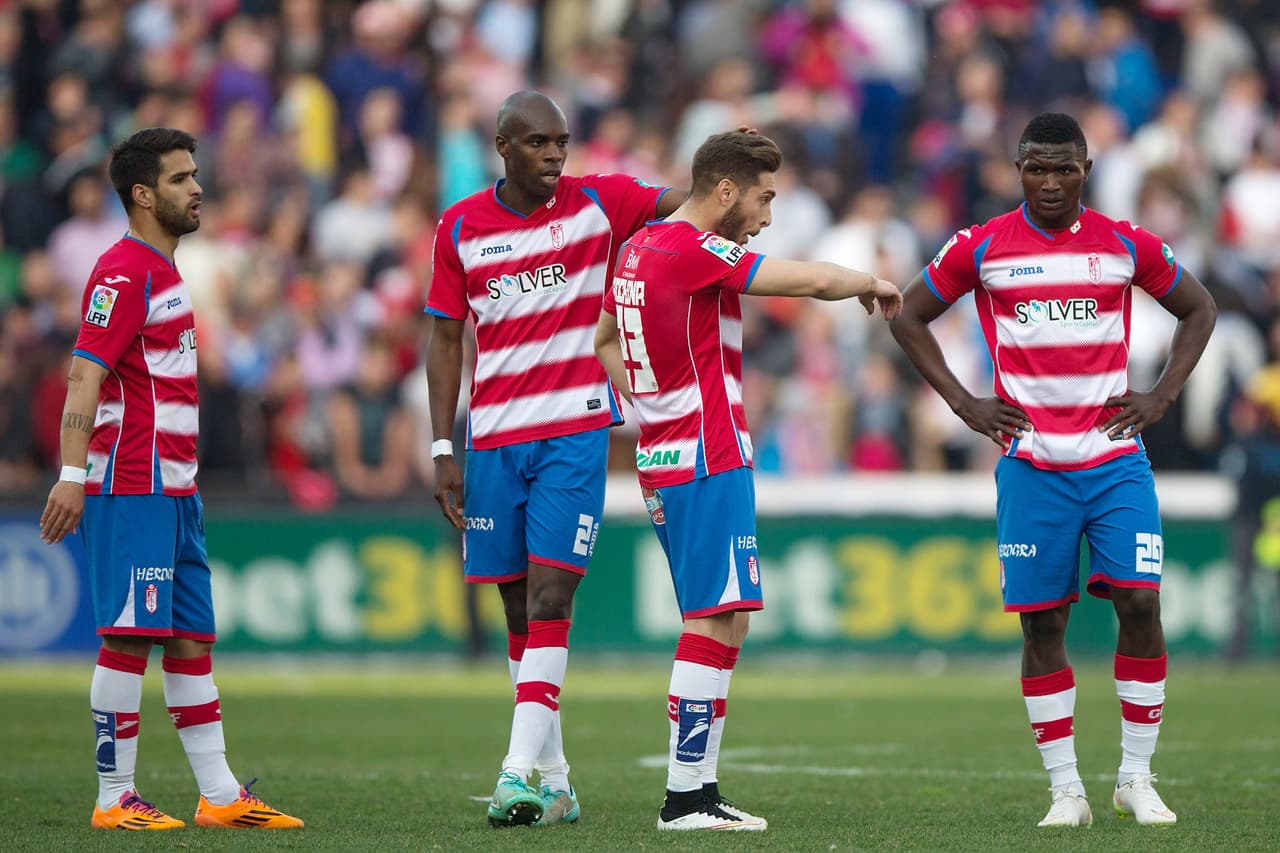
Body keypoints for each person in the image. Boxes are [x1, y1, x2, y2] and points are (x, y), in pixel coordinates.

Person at [889, 112, 1217, 828]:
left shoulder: (1125, 244)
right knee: (1043, 623)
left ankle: (1135, 777)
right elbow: (907, 315)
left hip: (1114, 458)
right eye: (1036, 167)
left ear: (1085, 170)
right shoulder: (981, 246)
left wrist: (1161, 395)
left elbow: (1199, 308)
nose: (1049, 182)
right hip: (1032, 464)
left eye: (1064, 168)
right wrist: (964, 402)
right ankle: (1066, 790)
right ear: (1018, 169)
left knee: (1140, 602)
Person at [593, 130, 902, 831]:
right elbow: (812, 281)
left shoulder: (637, 249)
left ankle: (701, 787)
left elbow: (604, 341)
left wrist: (650, 403)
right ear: (726, 190)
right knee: (711, 618)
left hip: (667, 453)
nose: (765, 217)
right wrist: (870, 281)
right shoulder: (693, 249)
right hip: (707, 453)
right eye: (763, 199)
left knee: (725, 618)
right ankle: (683, 798)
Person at [424, 90, 685, 828]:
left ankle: (513, 774)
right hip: (492, 439)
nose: (554, 155)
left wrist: (724, 182)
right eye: (538, 142)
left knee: (550, 599)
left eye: (562, 142)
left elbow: (688, 203)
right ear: (503, 147)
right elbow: (444, 339)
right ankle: (557, 780)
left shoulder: (602, 202)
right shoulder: (459, 226)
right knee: (516, 606)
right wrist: (443, 446)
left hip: (575, 432)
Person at [38, 128, 302, 831]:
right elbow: (83, 375)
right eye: (181, 178)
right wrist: (71, 474)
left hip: (176, 488)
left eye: (195, 174)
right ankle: (112, 796)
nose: (198, 188)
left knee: (189, 640)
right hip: (133, 482)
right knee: (128, 638)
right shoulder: (123, 272)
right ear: (144, 194)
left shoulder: (165, 271)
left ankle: (219, 795)